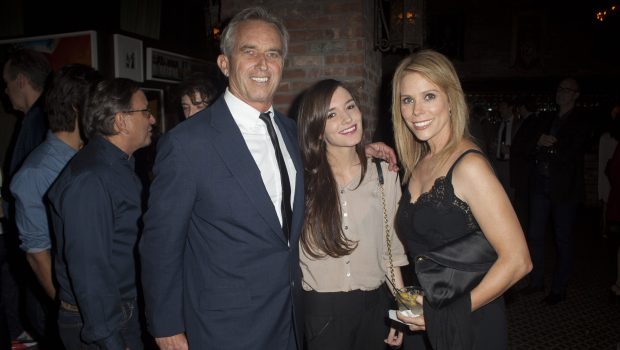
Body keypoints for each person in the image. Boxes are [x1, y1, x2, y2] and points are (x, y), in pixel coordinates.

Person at [140, 7, 397, 350]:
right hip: (225, 328)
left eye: (273, 54)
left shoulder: (294, 134)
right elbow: (160, 244)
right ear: (225, 64)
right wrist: (166, 325)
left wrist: (366, 150)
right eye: (250, 52)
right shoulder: (187, 143)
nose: (263, 64)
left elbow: (332, 162)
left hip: (294, 319)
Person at [391, 50, 531, 349]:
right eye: (407, 100)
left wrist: (446, 314)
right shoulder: (418, 163)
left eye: (429, 96)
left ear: (451, 99)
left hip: (469, 322)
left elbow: (519, 261)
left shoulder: (469, 166)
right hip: (426, 316)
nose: (417, 111)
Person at [297, 79, 406, 350]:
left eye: (350, 106)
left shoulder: (384, 174)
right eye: (331, 114)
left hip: (374, 306)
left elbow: (392, 251)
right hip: (321, 309)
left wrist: (402, 308)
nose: (347, 118)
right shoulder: (300, 179)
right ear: (317, 129)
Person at [48, 78, 155, 349]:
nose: (152, 119)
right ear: (121, 121)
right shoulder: (92, 178)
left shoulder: (116, 167)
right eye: (145, 111)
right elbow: (89, 269)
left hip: (120, 311)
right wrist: (110, 339)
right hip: (106, 319)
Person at [9, 64, 101, 348]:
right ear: (78, 108)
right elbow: (38, 255)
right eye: (97, 105)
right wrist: (74, 309)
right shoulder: (36, 172)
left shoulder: (90, 156)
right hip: (62, 305)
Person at [1, 47, 51, 347]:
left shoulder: (38, 121)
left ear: (21, 81)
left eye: (6, 83)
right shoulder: (33, 119)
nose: (5, 92)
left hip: (39, 244)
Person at [525, 77, 590, 304]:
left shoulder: (580, 120)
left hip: (564, 189)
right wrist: (538, 142)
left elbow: (575, 150)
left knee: (563, 239)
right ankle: (536, 281)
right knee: (535, 236)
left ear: (576, 95)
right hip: (540, 184)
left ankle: (559, 289)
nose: (561, 92)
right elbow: (529, 141)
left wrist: (550, 146)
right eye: (560, 88)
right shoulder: (548, 117)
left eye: (567, 89)